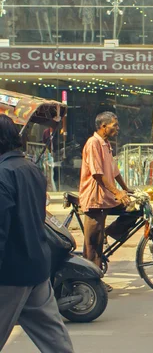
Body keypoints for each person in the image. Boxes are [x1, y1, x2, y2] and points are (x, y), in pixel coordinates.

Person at [0, 115, 74, 352]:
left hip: (10, 273)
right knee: (54, 339)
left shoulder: (3, 174)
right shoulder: (30, 168)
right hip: (37, 266)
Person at [79, 112, 137, 291]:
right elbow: (97, 173)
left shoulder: (106, 145)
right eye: (114, 125)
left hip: (107, 196)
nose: (117, 128)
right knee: (93, 245)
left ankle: (108, 232)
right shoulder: (93, 143)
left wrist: (125, 189)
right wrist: (117, 192)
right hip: (95, 197)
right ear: (103, 126)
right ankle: (91, 283)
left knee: (135, 210)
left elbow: (114, 170)